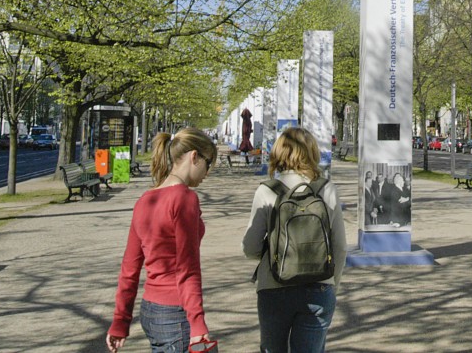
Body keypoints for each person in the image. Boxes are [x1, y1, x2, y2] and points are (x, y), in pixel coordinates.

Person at [108, 128, 217, 353]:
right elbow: (187, 268)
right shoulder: (185, 199)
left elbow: (129, 267)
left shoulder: (145, 201)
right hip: (176, 313)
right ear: (194, 156)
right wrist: (197, 322)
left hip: (150, 311)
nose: (207, 173)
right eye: (208, 164)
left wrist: (120, 321)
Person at [243, 127, 347, 353]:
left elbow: (250, 247)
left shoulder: (267, 191)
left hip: (274, 286)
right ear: (312, 152)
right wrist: (332, 285)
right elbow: (339, 247)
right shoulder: (326, 189)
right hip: (318, 287)